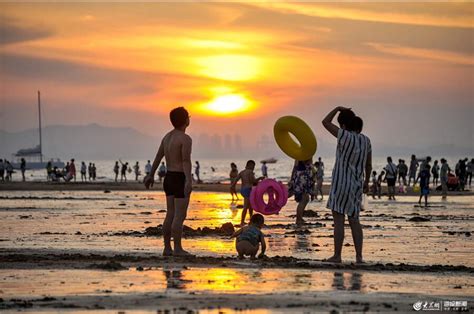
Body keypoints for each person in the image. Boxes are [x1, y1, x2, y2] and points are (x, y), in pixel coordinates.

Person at [322, 107, 372, 264]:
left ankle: (337, 255)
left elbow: (325, 122)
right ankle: (359, 257)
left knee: (338, 221)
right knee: (354, 220)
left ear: (343, 124)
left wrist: (337, 108)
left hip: (340, 184)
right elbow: (368, 165)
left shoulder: (343, 135)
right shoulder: (366, 141)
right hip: (356, 185)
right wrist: (366, 182)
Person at [144, 107, 193, 257]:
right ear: (186, 120)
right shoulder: (185, 139)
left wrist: (150, 175)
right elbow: (185, 161)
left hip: (169, 178)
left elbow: (158, 157)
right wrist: (189, 181)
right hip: (179, 178)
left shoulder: (167, 137)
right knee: (179, 215)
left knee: (170, 214)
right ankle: (177, 248)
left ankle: (167, 248)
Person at [231, 160, 263, 226]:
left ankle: (251, 221)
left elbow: (236, 179)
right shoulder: (250, 172)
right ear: (249, 165)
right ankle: (242, 222)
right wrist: (259, 178)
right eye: (253, 166)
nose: (253, 168)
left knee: (250, 206)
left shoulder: (242, 172)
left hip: (243, 190)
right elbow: (253, 181)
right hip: (248, 189)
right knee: (246, 206)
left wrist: (232, 186)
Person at [288, 159, 315, 225]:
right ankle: (299, 219)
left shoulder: (299, 153)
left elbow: (295, 166)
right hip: (303, 176)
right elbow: (309, 164)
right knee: (304, 199)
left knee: (305, 199)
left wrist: (292, 179)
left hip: (301, 175)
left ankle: (299, 218)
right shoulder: (306, 153)